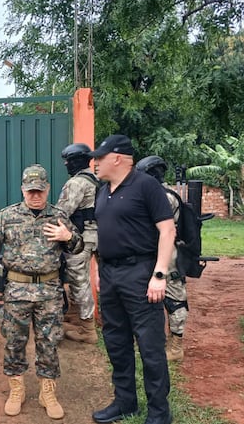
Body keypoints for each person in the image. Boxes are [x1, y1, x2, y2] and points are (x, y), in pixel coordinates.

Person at [0, 164, 84, 420]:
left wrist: (67, 235)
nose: (35, 195)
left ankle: (47, 392)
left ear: (47, 189)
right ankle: (17, 389)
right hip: (17, 290)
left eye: (39, 190)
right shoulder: (7, 216)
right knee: (14, 342)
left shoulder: (59, 216)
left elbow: (79, 247)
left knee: (49, 342)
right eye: (30, 191)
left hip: (49, 291)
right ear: (22, 190)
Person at [89, 135, 176, 424]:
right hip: (111, 274)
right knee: (116, 341)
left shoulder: (146, 186)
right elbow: (104, 233)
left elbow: (167, 231)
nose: (95, 163)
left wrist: (159, 274)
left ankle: (159, 414)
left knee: (150, 346)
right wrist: (101, 270)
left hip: (140, 274)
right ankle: (125, 402)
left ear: (117, 158)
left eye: (99, 158)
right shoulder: (103, 191)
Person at [136, 155, 188, 362]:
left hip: (169, 257)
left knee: (174, 298)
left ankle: (176, 345)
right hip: (149, 253)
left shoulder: (165, 197)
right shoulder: (151, 195)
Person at [56, 143, 100, 344]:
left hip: (81, 238)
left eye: (68, 161)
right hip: (98, 235)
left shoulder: (76, 183)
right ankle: (75, 314)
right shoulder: (97, 179)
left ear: (75, 161)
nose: (66, 165)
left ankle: (87, 328)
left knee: (78, 280)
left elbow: (62, 212)